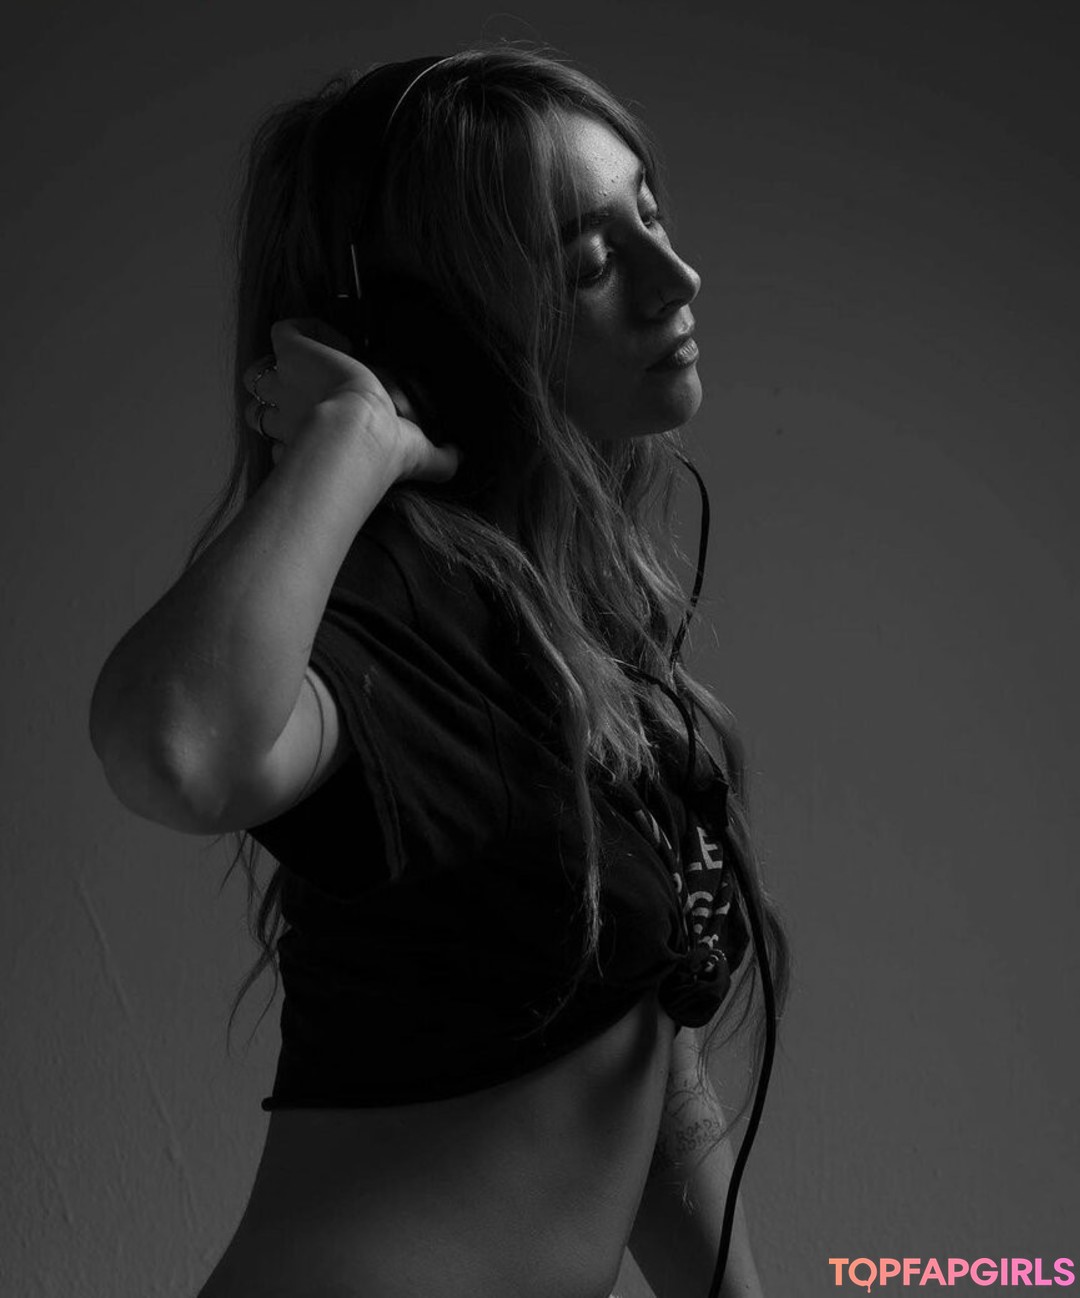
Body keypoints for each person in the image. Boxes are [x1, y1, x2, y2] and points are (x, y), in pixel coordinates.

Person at [88, 45, 790, 1298]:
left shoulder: (586, 643)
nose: (676, 276)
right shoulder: (401, 610)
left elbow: (650, 1057)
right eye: (593, 261)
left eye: (651, 215)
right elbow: (176, 748)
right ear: (437, 339)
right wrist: (355, 434)